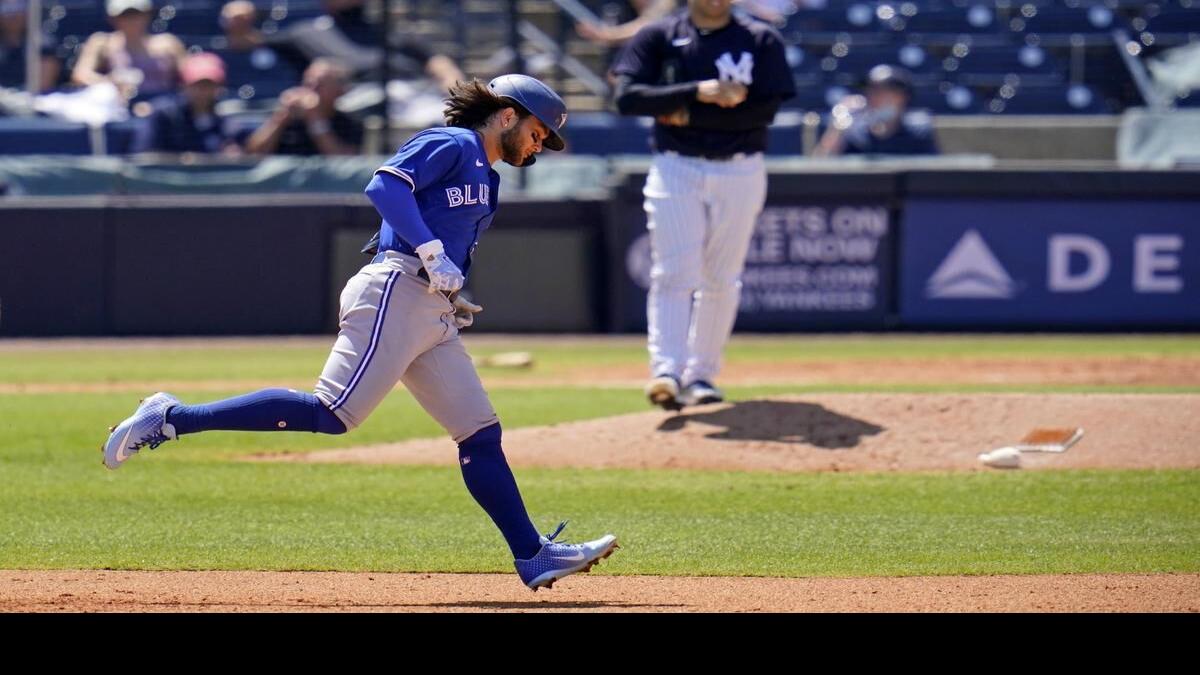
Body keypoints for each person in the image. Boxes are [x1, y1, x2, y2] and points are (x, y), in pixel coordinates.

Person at [101, 74, 618, 592]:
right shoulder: (453, 142)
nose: (538, 145)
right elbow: (385, 186)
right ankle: (171, 418)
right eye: (537, 132)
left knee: (480, 433)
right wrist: (430, 255)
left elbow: (429, 227)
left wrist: (448, 290)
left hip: (428, 308)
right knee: (331, 414)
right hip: (396, 289)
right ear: (507, 115)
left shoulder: (490, 175)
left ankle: (531, 554)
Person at [612, 0, 796, 410]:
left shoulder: (760, 38)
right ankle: (667, 371)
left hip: (741, 167)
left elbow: (765, 110)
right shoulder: (659, 35)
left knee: (722, 276)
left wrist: (684, 113)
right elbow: (626, 98)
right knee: (673, 271)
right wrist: (698, 92)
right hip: (676, 166)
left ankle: (702, 375)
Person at [71, 0, 186, 103]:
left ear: (147, 15)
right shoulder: (102, 42)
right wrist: (109, 82)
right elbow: (80, 75)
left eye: (136, 15)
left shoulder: (168, 44)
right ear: (113, 18)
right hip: (119, 108)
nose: (131, 20)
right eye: (125, 15)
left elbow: (190, 77)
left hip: (163, 108)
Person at [813, 64, 940, 157]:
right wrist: (838, 127)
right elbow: (820, 170)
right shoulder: (855, 135)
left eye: (882, 91)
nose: (873, 97)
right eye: (870, 91)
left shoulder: (918, 134)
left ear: (902, 97)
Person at [243, 58, 363, 155]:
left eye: (320, 85)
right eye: (309, 83)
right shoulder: (288, 118)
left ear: (339, 91)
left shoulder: (348, 123)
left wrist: (315, 119)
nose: (312, 90)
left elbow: (343, 161)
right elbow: (253, 154)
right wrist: (280, 119)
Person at [131, 52, 241, 154]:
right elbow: (144, 156)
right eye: (196, 85)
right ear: (183, 85)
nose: (202, 91)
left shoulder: (226, 125)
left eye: (208, 85)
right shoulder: (163, 116)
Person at [0, 0, 61, 93]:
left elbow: (44, 83)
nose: (13, 16)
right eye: (7, 11)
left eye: (18, 9)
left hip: (28, 100)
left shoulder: (42, 41)